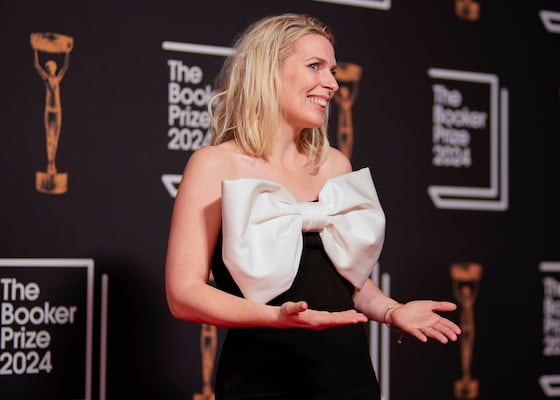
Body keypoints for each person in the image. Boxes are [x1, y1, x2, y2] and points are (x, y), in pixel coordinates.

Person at [165, 13, 461, 400]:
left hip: (349, 380)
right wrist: (276, 317)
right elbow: (183, 293)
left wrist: (392, 311)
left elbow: (342, 281)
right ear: (268, 72)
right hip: (261, 381)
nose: (333, 84)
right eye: (315, 67)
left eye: (333, 70)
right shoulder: (214, 165)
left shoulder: (336, 164)